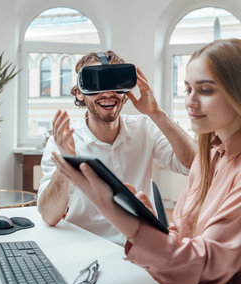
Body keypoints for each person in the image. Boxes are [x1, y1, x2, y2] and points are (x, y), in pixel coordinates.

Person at [52, 39, 241, 284]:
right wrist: (144, 220)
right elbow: (180, 235)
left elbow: (205, 266)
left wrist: (115, 212)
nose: (190, 101)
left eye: (206, 90)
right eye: (188, 89)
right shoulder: (212, 156)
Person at [37, 51, 197, 246]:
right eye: (96, 84)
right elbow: (49, 216)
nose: (107, 94)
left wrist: (157, 113)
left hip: (142, 248)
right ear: (79, 91)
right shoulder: (62, 141)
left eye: (114, 84)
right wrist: (66, 162)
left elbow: (194, 165)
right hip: (86, 248)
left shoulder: (145, 128)